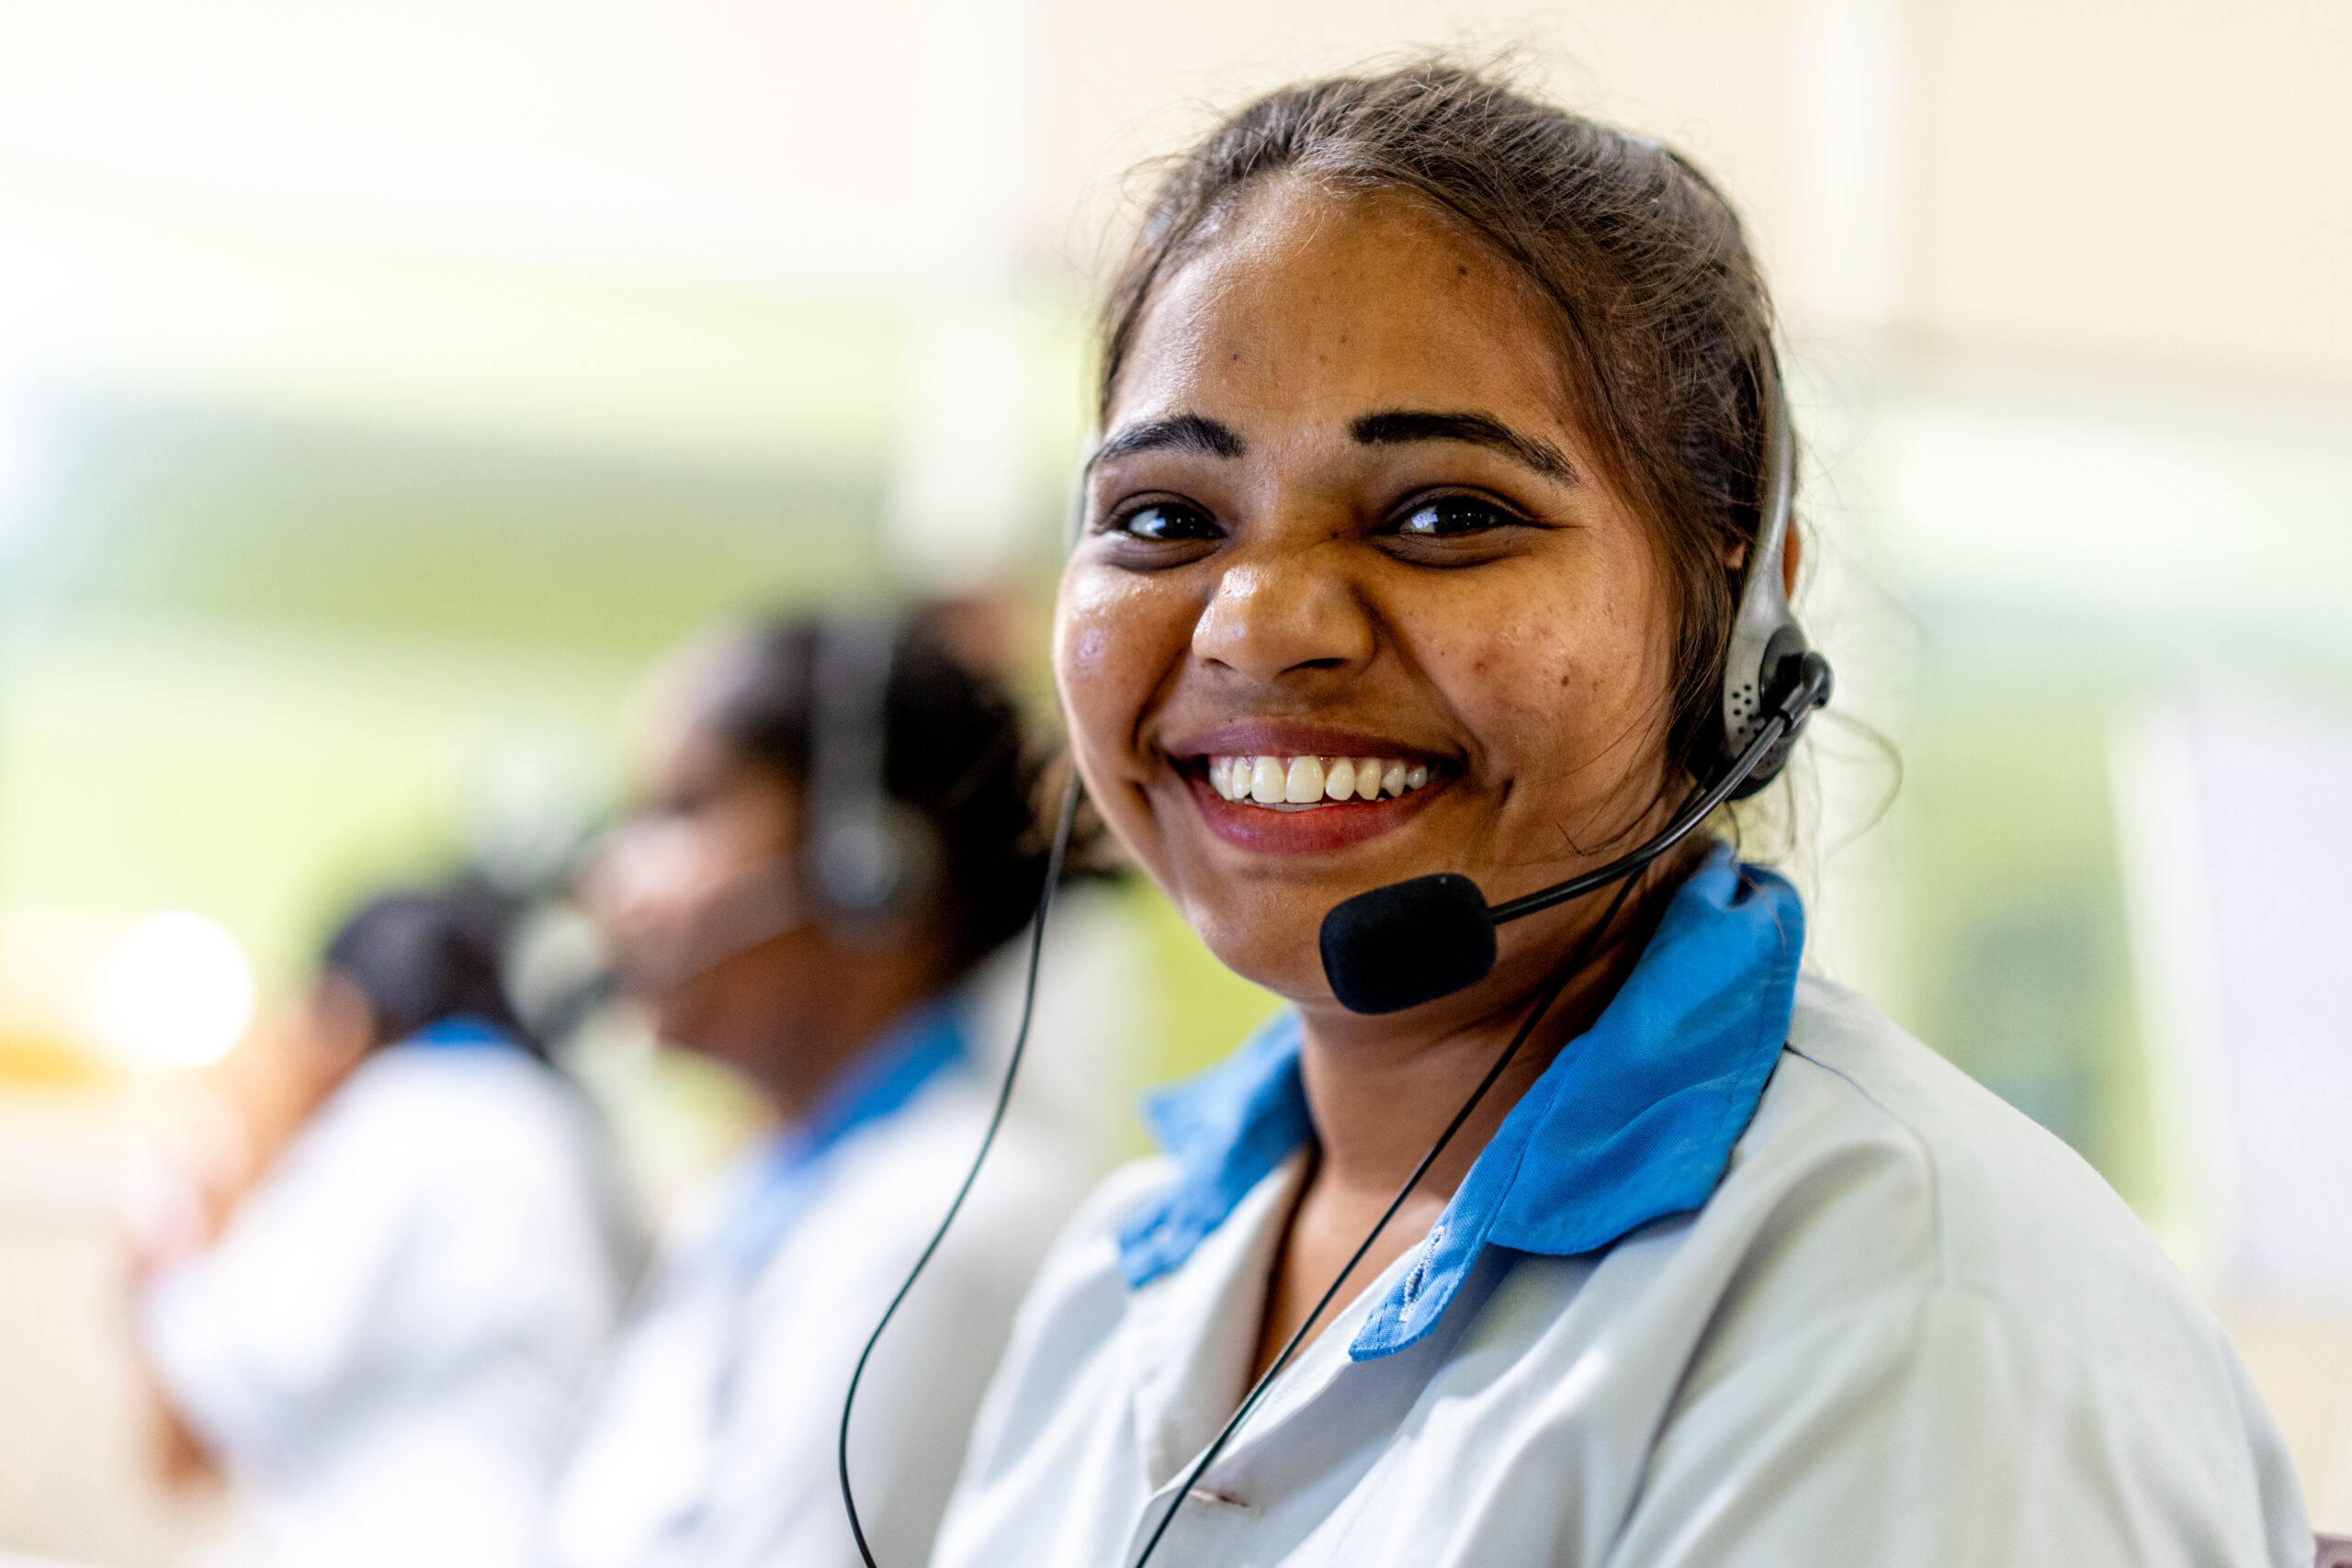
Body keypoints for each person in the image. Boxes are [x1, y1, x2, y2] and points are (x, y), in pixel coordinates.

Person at [928, 64, 2311, 1568]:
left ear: (1737, 604)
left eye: (1446, 515)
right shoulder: (1121, 1275)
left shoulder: (1910, 1292)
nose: (1258, 625)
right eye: (1165, 519)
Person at [537, 609, 1091, 1568]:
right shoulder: (769, 1187)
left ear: (870, 868)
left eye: (682, 810)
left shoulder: (946, 1223)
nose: (610, 876)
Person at [131, 884, 629, 1568]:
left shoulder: (406, 1114)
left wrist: (169, 1272)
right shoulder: (552, 1118)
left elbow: (257, 1364)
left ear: (346, 1012)